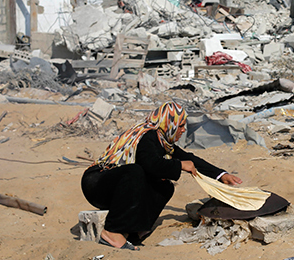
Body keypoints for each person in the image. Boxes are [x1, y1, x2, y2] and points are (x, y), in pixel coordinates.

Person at [81, 101, 242, 250]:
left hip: (116, 187)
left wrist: (221, 175)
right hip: (96, 183)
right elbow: (149, 163)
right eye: (181, 126)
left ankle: (136, 231)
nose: (183, 130)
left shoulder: (163, 141)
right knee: (135, 171)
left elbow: (190, 159)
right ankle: (112, 232)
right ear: (169, 123)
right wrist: (180, 165)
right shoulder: (147, 136)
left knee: (164, 186)